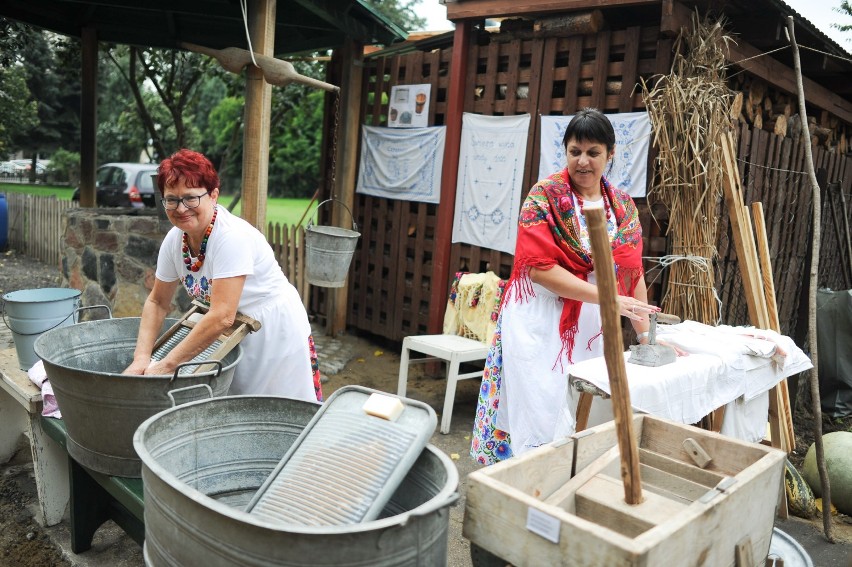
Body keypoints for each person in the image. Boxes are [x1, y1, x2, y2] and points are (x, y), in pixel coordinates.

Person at [470, 108, 660, 465]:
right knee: (540, 409)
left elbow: (632, 277)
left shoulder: (621, 207)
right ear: (566, 151)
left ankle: (567, 485)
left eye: (593, 153)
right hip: (539, 322)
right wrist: (608, 299)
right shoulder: (543, 197)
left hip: (590, 327)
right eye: (575, 151)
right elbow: (540, 271)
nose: (583, 161)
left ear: (611, 154)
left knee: (581, 413)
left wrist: (649, 339)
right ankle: (525, 486)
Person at [123, 149, 322, 403]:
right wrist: (141, 359)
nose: (181, 208)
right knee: (234, 411)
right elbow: (157, 302)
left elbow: (221, 316)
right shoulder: (175, 240)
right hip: (234, 332)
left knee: (277, 413)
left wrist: (166, 366)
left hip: (272, 333)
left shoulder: (231, 238)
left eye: (191, 198)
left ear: (213, 195)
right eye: (171, 199)